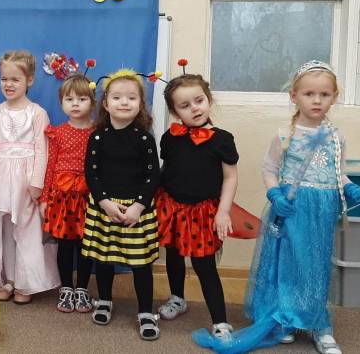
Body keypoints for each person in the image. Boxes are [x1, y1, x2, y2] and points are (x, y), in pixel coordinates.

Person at [193, 60, 360, 354]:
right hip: (292, 209)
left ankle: (319, 324)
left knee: (316, 266)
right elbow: (269, 169)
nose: (317, 100)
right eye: (309, 94)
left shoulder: (337, 137)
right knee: (288, 264)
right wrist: (275, 194)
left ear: (334, 97)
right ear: (294, 96)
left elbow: (338, 173)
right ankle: (286, 320)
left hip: (322, 212)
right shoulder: (285, 134)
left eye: (324, 95)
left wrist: (352, 188)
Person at [155, 69, 238, 340]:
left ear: (208, 99)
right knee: (174, 256)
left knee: (204, 265)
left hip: (203, 212)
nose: (194, 108)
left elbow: (230, 177)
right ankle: (177, 298)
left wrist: (223, 211)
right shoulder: (170, 137)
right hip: (172, 207)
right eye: (185, 105)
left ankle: (220, 321)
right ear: (174, 111)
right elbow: (167, 169)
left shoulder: (222, 139)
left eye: (199, 100)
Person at [80, 69, 161, 341]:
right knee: (104, 259)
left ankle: (145, 311)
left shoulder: (145, 138)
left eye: (131, 98)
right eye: (117, 97)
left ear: (140, 104)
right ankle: (104, 300)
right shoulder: (98, 137)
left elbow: (152, 176)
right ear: (105, 103)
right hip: (105, 208)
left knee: (141, 264)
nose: (124, 102)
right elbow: (91, 174)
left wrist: (138, 206)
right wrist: (104, 202)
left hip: (137, 211)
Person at [0, 50, 60, 304]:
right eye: (4, 79)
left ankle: (26, 283)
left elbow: (42, 150)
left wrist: (37, 183)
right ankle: (5, 280)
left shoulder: (37, 113)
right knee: (3, 228)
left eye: (15, 79)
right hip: (1, 178)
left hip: (26, 180)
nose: (9, 84)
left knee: (26, 231)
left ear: (30, 80)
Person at [40, 74, 96, 313]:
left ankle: (81, 288)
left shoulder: (97, 132)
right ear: (61, 102)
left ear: (92, 102)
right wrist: (44, 198)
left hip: (88, 197)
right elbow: (50, 165)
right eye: (69, 99)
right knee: (64, 245)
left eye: (82, 99)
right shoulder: (58, 132)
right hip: (61, 198)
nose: (75, 104)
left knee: (86, 244)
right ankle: (66, 288)